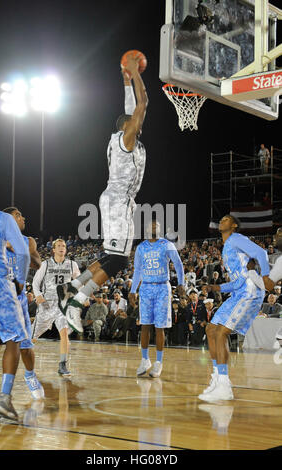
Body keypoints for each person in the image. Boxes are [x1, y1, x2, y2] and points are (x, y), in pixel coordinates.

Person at [57, 52, 148, 330]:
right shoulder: (127, 138)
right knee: (118, 260)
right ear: (126, 125)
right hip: (118, 199)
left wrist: (125, 81)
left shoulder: (121, 137)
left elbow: (131, 106)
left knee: (111, 256)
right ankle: (76, 303)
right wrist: (137, 73)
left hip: (118, 199)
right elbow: (142, 103)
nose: (139, 122)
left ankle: (71, 286)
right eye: (134, 121)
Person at [199, 214, 270, 402]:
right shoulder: (226, 247)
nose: (222, 220)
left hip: (250, 291)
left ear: (234, 225)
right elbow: (236, 281)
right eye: (221, 219)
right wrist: (216, 288)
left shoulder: (237, 239)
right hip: (239, 291)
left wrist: (267, 277)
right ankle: (217, 378)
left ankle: (224, 385)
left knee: (221, 332)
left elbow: (261, 254)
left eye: (226, 219)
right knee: (211, 329)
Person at [0, 181, 30, 422]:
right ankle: (4, 399)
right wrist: (20, 281)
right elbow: (22, 251)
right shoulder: (2, 218)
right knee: (14, 338)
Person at [129, 220, 185, 378]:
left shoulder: (166, 244)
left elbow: (179, 265)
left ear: (160, 230)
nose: (154, 227)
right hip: (146, 287)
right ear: (146, 229)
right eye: (151, 225)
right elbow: (138, 270)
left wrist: (181, 284)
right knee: (145, 325)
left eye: (157, 225)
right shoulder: (141, 248)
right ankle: (145, 359)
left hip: (162, 287)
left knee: (159, 327)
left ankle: (159, 362)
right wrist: (133, 290)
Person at [3, 207, 44, 400]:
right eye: (18, 215)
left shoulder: (29, 241)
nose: (23, 217)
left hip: (17, 301)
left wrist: (19, 249)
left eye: (21, 214)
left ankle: (30, 375)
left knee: (25, 348)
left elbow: (38, 264)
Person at [32, 239, 80, 376]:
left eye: (63, 246)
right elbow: (36, 283)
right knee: (32, 337)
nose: (61, 248)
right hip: (46, 304)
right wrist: (38, 295)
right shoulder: (46, 264)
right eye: (58, 246)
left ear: (66, 249)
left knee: (64, 333)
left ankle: (63, 364)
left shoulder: (72, 264)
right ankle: (22, 356)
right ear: (53, 249)